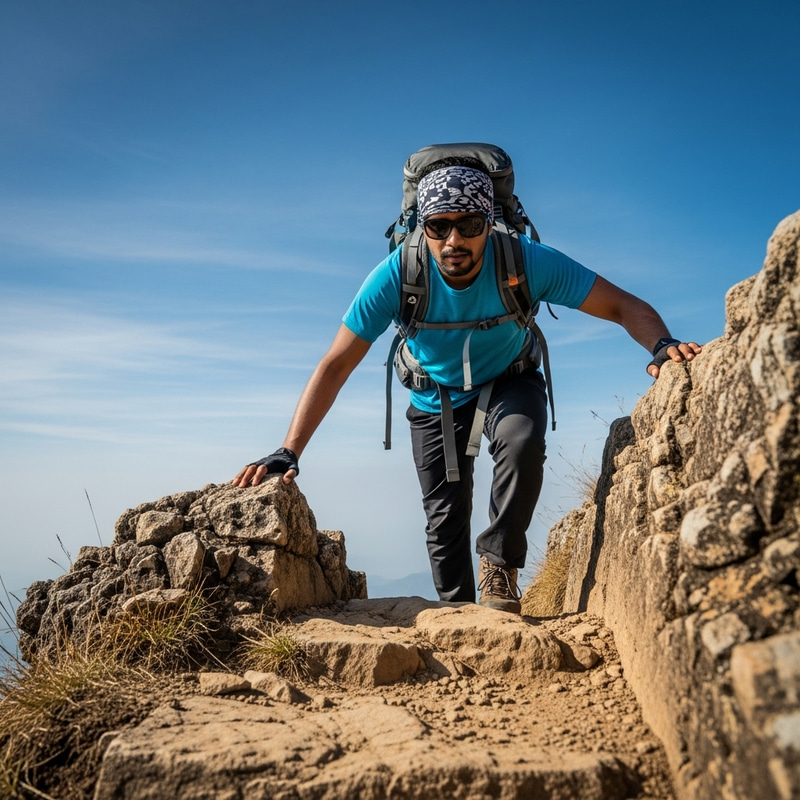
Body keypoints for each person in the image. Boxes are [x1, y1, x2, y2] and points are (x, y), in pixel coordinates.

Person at [232, 157, 702, 614]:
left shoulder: (526, 261)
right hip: (432, 395)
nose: (454, 239)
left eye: (470, 224)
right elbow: (336, 364)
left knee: (521, 444)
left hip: (509, 380)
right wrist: (289, 451)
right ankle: (457, 612)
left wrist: (660, 345)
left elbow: (621, 304)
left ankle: (498, 566)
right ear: (422, 227)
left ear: (489, 223)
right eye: (438, 226)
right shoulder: (398, 274)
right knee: (444, 518)